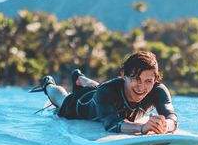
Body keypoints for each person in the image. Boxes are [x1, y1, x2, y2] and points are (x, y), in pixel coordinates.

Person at [30, 51, 178, 135]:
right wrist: (141, 128)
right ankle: (48, 84)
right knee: (63, 99)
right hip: (82, 103)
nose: (141, 87)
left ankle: (80, 78)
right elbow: (111, 123)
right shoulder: (107, 91)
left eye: (148, 81)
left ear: (155, 80)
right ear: (123, 75)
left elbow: (172, 118)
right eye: (135, 78)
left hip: (101, 93)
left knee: (97, 87)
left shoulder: (158, 90)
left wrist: (166, 126)